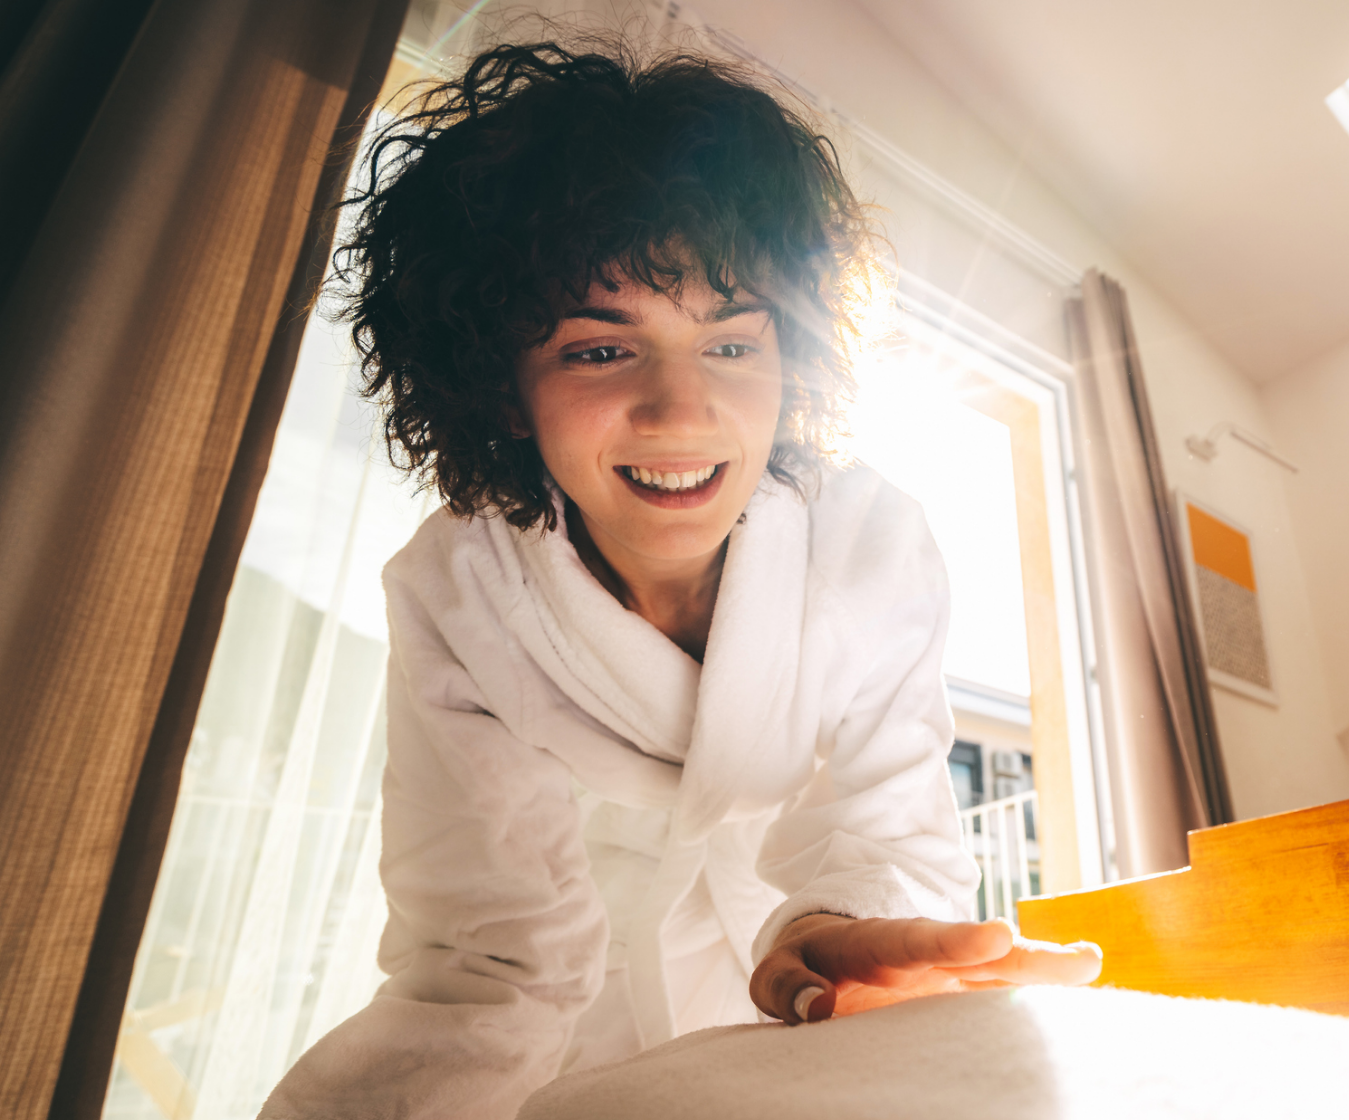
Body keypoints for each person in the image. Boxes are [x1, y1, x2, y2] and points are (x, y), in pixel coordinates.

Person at [261, 39, 1100, 1119]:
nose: (680, 412)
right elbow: (484, 951)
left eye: (732, 347)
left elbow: (887, 821)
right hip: (575, 1025)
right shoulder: (457, 591)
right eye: (600, 351)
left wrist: (829, 925)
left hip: (809, 998)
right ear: (502, 390)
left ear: (793, 358)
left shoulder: (870, 545)